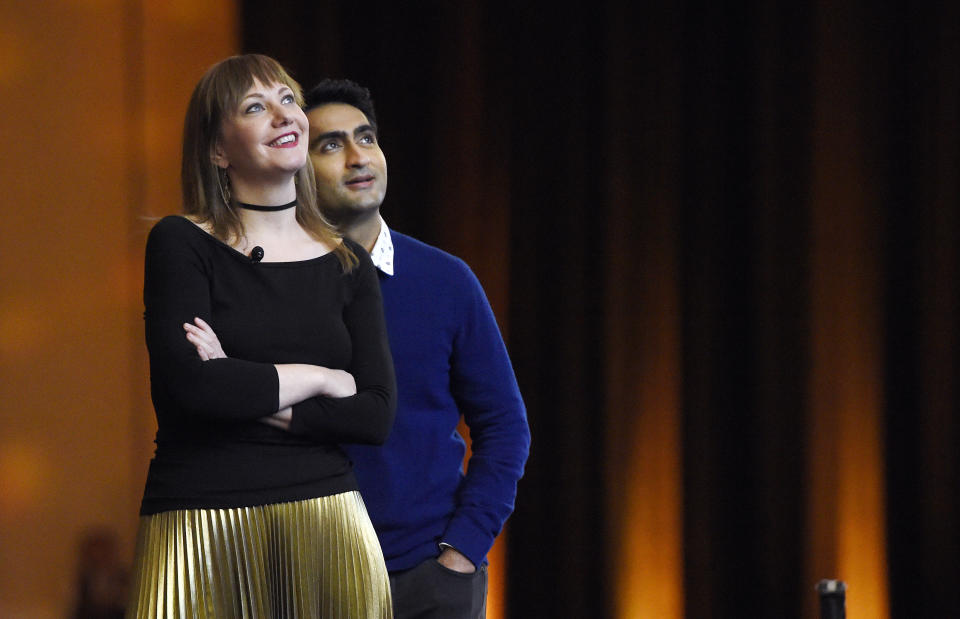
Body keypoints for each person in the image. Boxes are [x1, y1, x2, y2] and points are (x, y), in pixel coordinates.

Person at [127, 55, 396, 618]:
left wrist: (241, 379)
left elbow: (374, 415)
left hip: (330, 519)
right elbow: (194, 391)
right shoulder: (181, 243)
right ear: (218, 150)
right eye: (255, 107)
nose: (282, 116)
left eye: (288, 101)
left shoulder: (348, 263)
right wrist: (320, 379)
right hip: (201, 522)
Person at [303, 79, 531, 619]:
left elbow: (505, 425)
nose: (358, 157)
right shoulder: (275, 286)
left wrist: (462, 552)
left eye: (367, 138)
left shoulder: (446, 280)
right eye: (331, 145)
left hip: (430, 577)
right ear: (298, 169)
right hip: (311, 580)